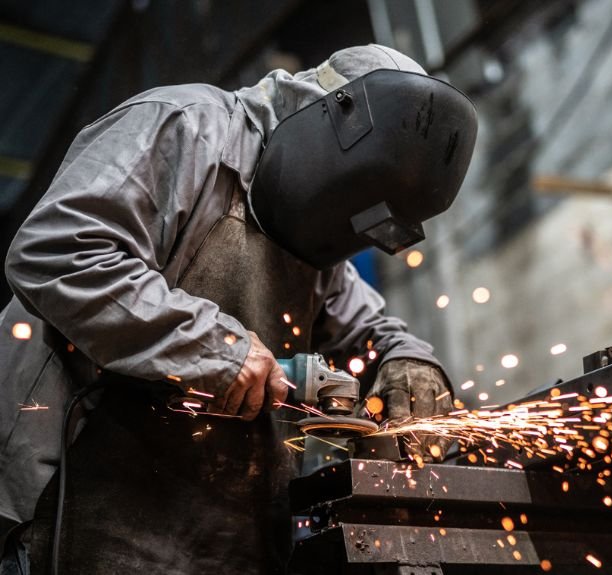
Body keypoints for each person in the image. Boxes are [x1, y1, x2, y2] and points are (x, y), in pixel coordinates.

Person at [0, 44, 476, 573]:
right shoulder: (185, 127)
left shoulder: (318, 233)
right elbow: (58, 250)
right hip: (85, 513)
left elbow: (371, 328)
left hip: (231, 543)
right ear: (330, 122)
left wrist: (407, 363)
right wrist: (213, 348)